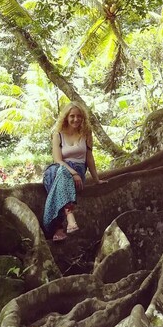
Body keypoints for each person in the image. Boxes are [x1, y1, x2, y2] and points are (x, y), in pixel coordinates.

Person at [42, 102, 101, 242]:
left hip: (78, 169)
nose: (76, 119)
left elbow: (89, 157)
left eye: (79, 116)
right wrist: (72, 172)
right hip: (61, 168)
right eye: (72, 116)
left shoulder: (86, 133)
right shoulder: (58, 135)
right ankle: (69, 215)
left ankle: (55, 228)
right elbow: (58, 160)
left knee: (58, 175)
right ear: (66, 117)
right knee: (56, 172)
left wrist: (96, 179)